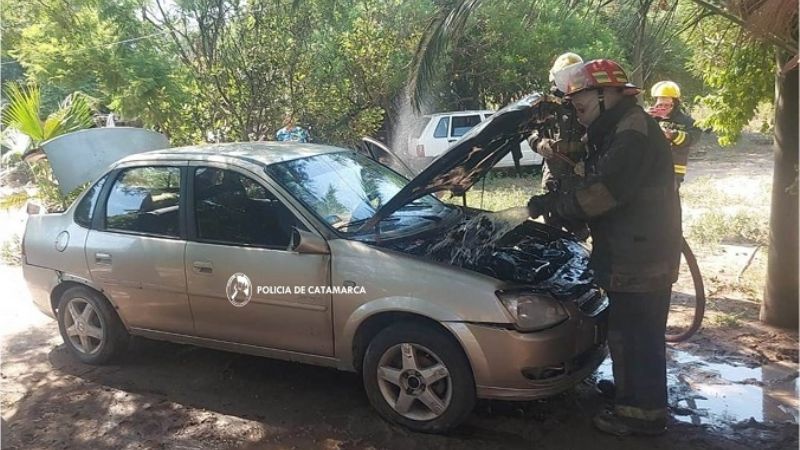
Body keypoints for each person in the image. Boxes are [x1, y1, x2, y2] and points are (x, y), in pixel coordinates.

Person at [527, 59, 682, 436]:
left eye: (580, 107)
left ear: (604, 94)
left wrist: (554, 206)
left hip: (640, 253)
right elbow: (593, 175)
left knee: (636, 333)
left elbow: (602, 192)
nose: (578, 116)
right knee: (628, 330)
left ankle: (641, 415)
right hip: (635, 246)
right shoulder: (619, 127)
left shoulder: (631, 134)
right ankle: (633, 392)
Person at [527, 52, 589, 239]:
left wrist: (587, 161)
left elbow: (600, 135)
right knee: (552, 230)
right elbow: (530, 131)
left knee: (580, 231)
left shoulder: (588, 100)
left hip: (579, 177)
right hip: (553, 176)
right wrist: (539, 144)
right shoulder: (545, 104)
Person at [647, 81, 701, 187]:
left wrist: (673, 135)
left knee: (669, 201)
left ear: (675, 104)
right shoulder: (650, 118)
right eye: (660, 105)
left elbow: (692, 139)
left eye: (667, 105)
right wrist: (644, 118)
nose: (663, 108)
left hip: (674, 170)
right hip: (652, 167)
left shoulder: (687, 122)